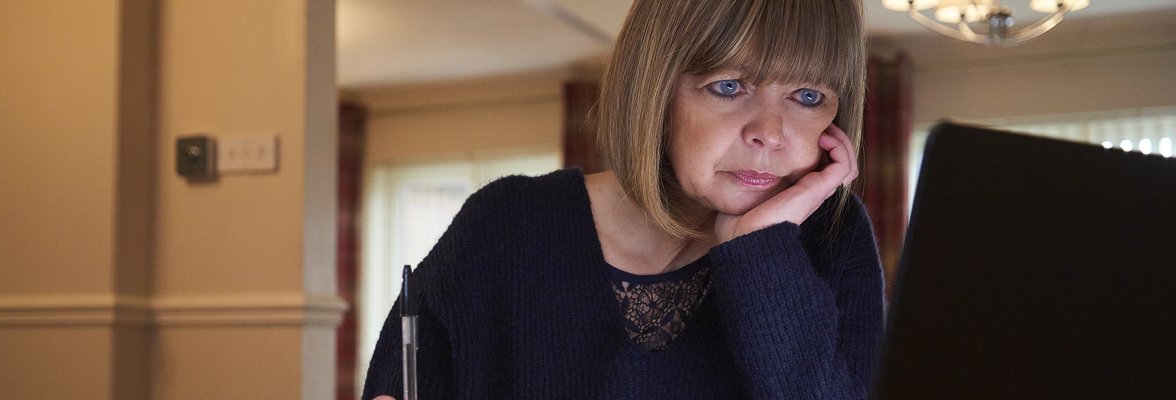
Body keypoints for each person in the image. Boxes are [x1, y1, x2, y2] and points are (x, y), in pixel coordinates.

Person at [361, 0, 883, 398]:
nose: (771, 133)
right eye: (728, 86)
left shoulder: (831, 237)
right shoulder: (504, 226)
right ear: (655, 92)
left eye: (808, 97)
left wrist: (762, 256)